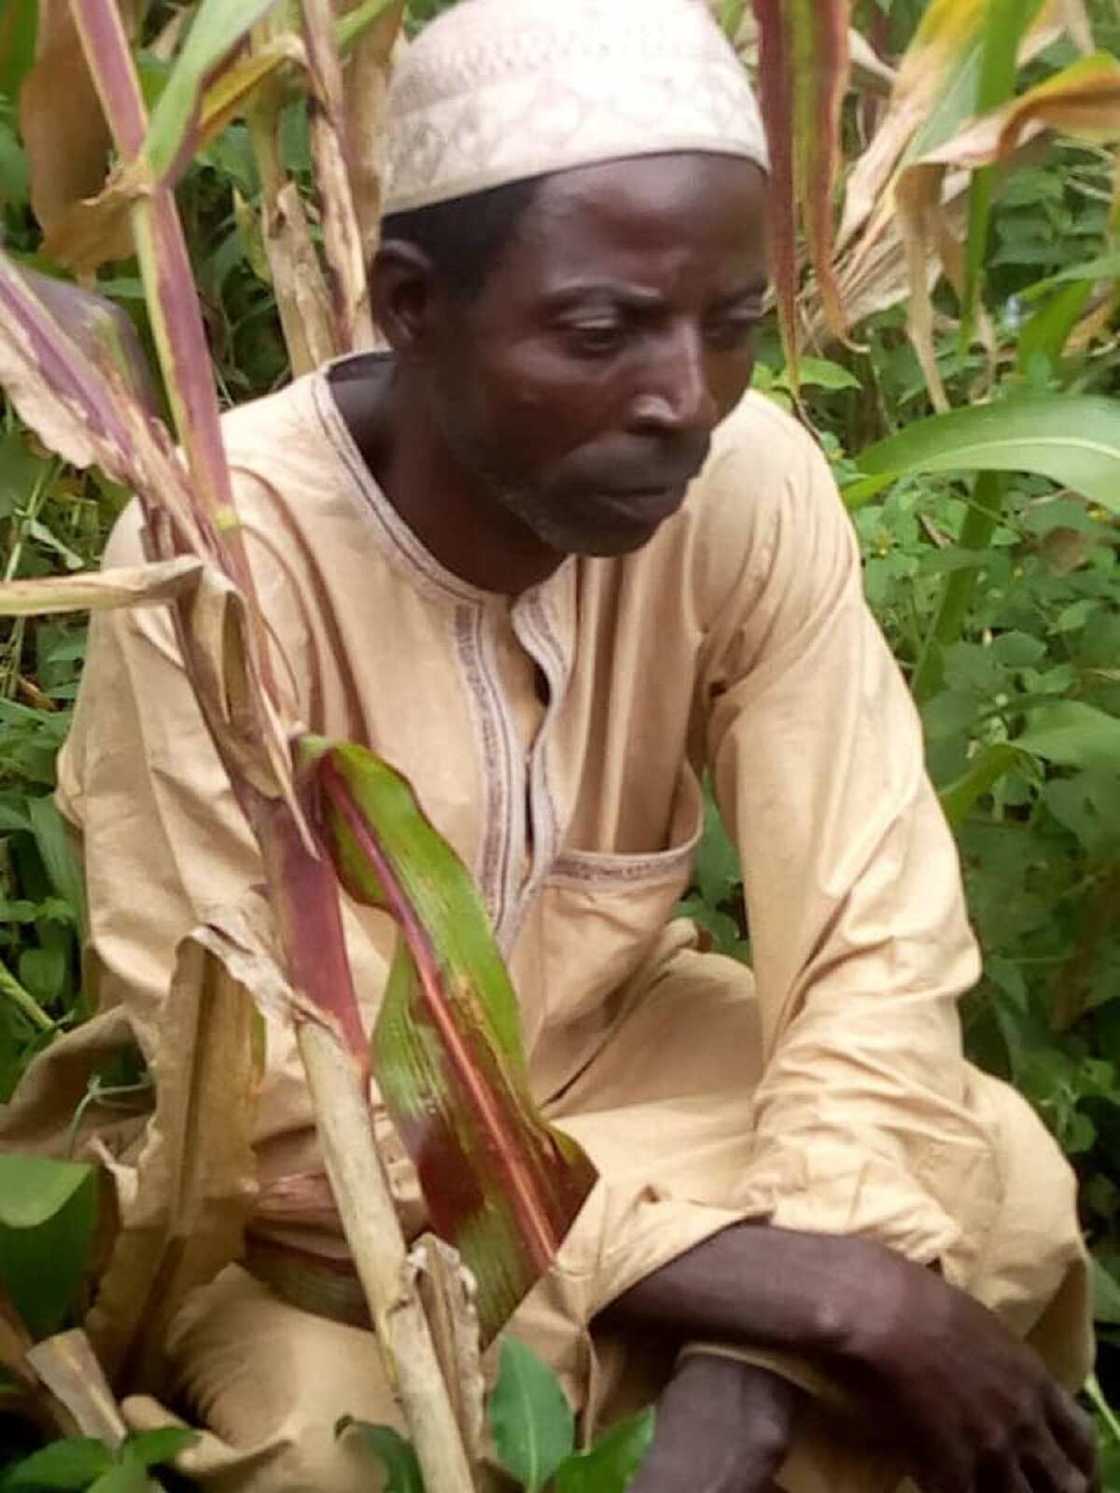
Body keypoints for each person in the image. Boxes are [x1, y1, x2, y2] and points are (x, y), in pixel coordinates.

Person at [1, 0, 1097, 1489]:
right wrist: (825, 1291)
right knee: (338, 1444)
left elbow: (875, 937)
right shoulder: (218, 560)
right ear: (412, 302)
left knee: (1001, 1172)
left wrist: (770, 1341)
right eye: (602, 332)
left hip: (636, 1070)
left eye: (731, 327)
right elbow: (268, 1113)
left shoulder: (748, 487)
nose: (684, 401)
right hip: (329, 1201)